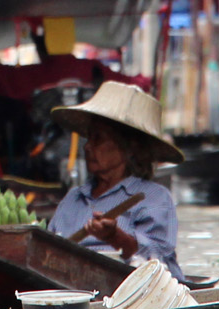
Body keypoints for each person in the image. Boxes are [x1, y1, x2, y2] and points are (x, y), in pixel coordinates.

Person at [44, 81, 183, 279]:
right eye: (89, 138)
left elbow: (157, 259)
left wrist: (116, 237)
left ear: (131, 147)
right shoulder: (73, 199)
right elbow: (48, 253)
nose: (87, 147)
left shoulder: (155, 197)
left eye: (98, 139)